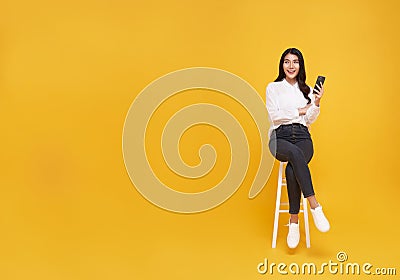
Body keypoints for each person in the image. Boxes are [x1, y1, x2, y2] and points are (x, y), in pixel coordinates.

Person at [266, 48, 330, 249]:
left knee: (292, 167)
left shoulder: (308, 91)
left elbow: (309, 119)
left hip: (303, 136)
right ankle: (315, 206)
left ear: (301, 65)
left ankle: (293, 222)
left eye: (295, 62)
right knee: (293, 154)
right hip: (279, 137)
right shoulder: (273, 88)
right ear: (282, 65)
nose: (291, 66)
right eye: (287, 62)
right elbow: (274, 116)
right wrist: (299, 110)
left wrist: (316, 103)